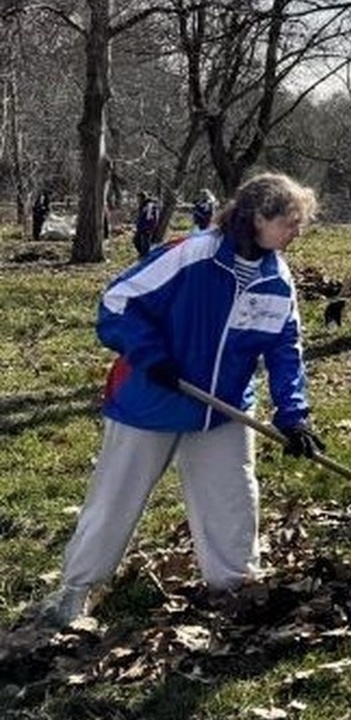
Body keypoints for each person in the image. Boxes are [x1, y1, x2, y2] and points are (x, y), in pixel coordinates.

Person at [39, 173, 324, 627]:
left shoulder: (277, 278)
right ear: (257, 217)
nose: (297, 232)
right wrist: (152, 357)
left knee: (233, 498)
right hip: (152, 401)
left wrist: (294, 415)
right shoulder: (190, 255)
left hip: (223, 409)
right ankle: (77, 588)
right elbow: (116, 302)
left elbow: (284, 347)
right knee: (115, 498)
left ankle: (235, 587)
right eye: (290, 222)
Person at [132, 191, 161, 259]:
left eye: (139, 198)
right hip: (141, 227)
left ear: (143, 198)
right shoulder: (142, 205)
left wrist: (150, 228)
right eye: (137, 198)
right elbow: (141, 216)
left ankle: (145, 257)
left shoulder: (149, 206)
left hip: (147, 228)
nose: (137, 200)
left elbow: (151, 218)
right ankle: (142, 255)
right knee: (136, 241)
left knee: (145, 244)